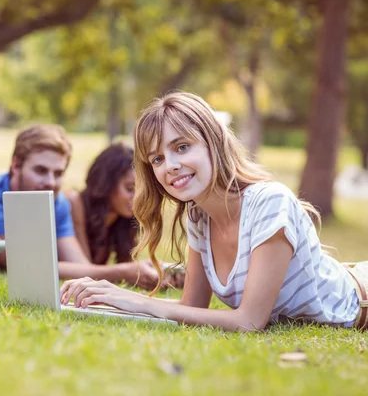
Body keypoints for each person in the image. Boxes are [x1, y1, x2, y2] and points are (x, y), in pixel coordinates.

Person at [60, 91, 368, 331]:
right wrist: (112, 297)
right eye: (157, 159)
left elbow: (248, 321)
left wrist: (132, 300)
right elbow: (192, 306)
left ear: (213, 143)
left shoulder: (270, 202)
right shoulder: (199, 217)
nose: (171, 166)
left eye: (181, 147)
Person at [0, 124, 167, 290]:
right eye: (41, 170)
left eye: (58, 173)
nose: (50, 182)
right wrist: (123, 271)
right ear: (15, 165)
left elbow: (82, 267)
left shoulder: (56, 201)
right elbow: (30, 266)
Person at [65, 143, 185, 287]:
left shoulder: (119, 220)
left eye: (141, 191)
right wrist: (125, 271)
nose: (137, 198)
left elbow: (107, 270)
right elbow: (83, 268)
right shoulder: (74, 204)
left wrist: (152, 272)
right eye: (129, 189)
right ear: (105, 185)